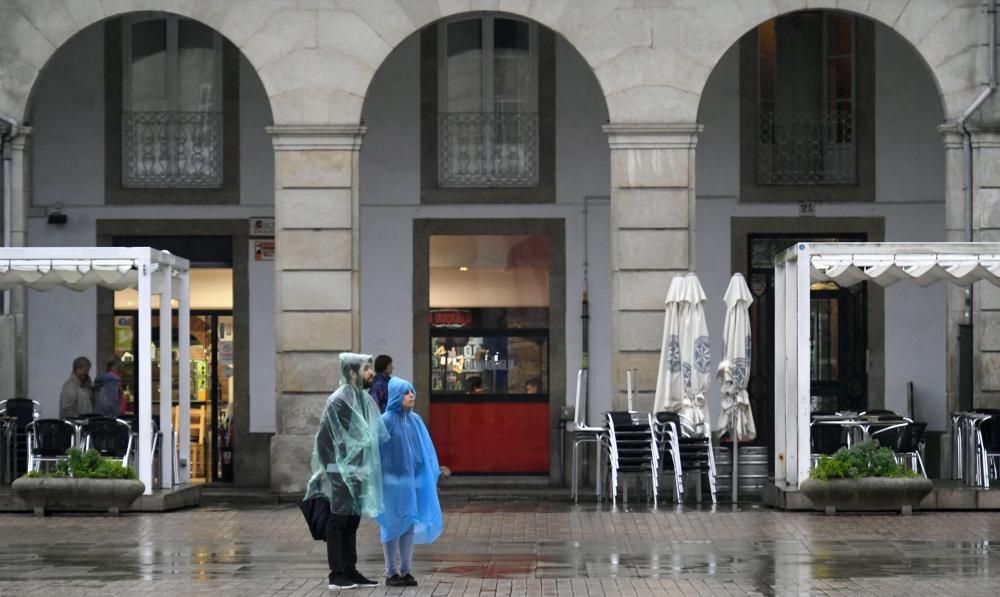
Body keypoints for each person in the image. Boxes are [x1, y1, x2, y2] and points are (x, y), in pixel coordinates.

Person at [304, 353, 389, 590]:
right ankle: (337, 574)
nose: (371, 373)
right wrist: (335, 472)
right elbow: (323, 439)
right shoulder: (339, 400)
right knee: (338, 520)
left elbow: (371, 436)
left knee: (352, 520)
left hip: (358, 470)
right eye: (366, 369)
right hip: (340, 472)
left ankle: (350, 570)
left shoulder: (362, 398)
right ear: (352, 373)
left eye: (371, 368)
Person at [376, 377, 442, 587]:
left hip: (412, 482)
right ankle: (391, 572)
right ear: (396, 395)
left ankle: (406, 570)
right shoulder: (385, 421)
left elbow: (424, 450)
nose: (411, 396)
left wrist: (428, 472)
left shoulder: (415, 421)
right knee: (391, 523)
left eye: (412, 392)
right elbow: (375, 453)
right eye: (406, 392)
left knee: (408, 523)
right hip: (391, 483)